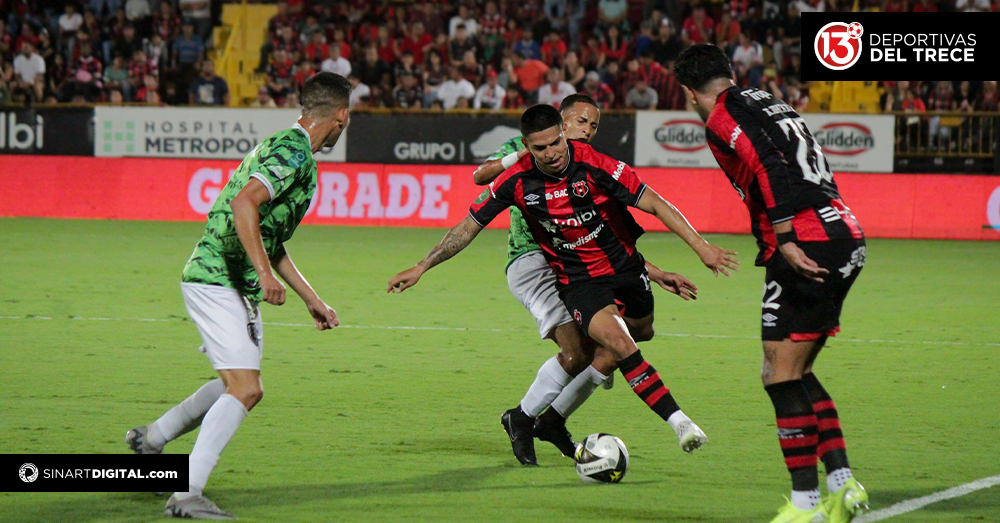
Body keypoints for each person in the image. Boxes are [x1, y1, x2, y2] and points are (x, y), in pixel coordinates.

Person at [388, 102, 738, 465]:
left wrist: (701, 249)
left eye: (556, 143)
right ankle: (680, 423)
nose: (551, 153)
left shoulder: (595, 164)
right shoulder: (516, 179)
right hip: (578, 280)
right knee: (618, 345)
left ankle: (550, 419)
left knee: (636, 334)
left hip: (624, 268)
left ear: (562, 134)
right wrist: (422, 266)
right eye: (540, 148)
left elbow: (655, 203)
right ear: (526, 146)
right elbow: (467, 227)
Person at [125, 73, 351, 520]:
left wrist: (311, 298)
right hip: (218, 278)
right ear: (342, 116)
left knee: (236, 384)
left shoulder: (287, 147)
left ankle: (151, 439)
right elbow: (244, 203)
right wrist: (264, 275)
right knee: (246, 389)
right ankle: (186, 495)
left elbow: (268, 235)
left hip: (230, 280)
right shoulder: (293, 152)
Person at [674, 44, 868, 523]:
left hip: (806, 238)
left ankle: (806, 504)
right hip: (842, 230)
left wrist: (784, 238)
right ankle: (843, 485)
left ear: (688, 93)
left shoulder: (723, 115)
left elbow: (769, 165)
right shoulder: (768, 101)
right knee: (796, 370)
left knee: (778, 374)